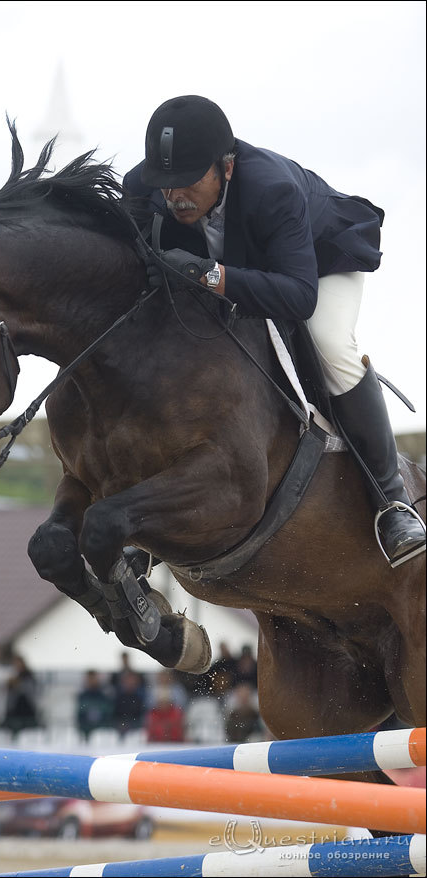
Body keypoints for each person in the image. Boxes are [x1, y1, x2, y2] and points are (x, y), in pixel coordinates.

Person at [123, 95, 425, 568]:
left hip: (320, 264)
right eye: (164, 184)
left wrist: (211, 276)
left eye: (185, 183)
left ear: (226, 167)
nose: (173, 196)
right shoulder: (145, 189)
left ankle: (393, 504)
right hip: (246, 267)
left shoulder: (271, 189)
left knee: (329, 343)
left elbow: (299, 296)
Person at [2, 654, 42, 734]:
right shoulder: (10, 675)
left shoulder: (28, 676)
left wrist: (18, 685)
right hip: (14, 709)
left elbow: (32, 691)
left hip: (27, 708)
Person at [75, 669, 115, 740]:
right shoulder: (82, 695)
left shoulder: (104, 694)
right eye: (89, 678)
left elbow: (108, 712)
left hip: (103, 728)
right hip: (86, 728)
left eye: (93, 678)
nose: (91, 681)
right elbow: (80, 714)